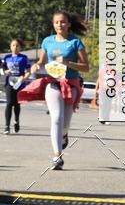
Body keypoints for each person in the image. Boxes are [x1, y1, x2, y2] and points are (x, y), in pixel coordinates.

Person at [26, 10, 89, 169]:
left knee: (65, 123)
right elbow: (41, 61)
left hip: (70, 84)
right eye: (56, 22)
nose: (59, 25)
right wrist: (37, 65)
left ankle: (64, 135)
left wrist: (68, 62)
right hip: (52, 83)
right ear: (53, 25)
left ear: (68, 24)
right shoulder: (47, 41)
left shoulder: (75, 42)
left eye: (62, 22)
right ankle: (57, 156)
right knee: (56, 119)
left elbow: (86, 67)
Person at [2, 38, 31, 134]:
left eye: (17, 45)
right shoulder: (6, 58)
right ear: (10, 47)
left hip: (19, 83)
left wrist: (24, 78)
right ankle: (6, 126)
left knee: (17, 104)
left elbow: (28, 71)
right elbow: (2, 70)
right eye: (13, 45)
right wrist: (5, 71)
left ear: (20, 47)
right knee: (9, 103)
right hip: (9, 83)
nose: (15, 47)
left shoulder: (24, 58)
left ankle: (16, 121)